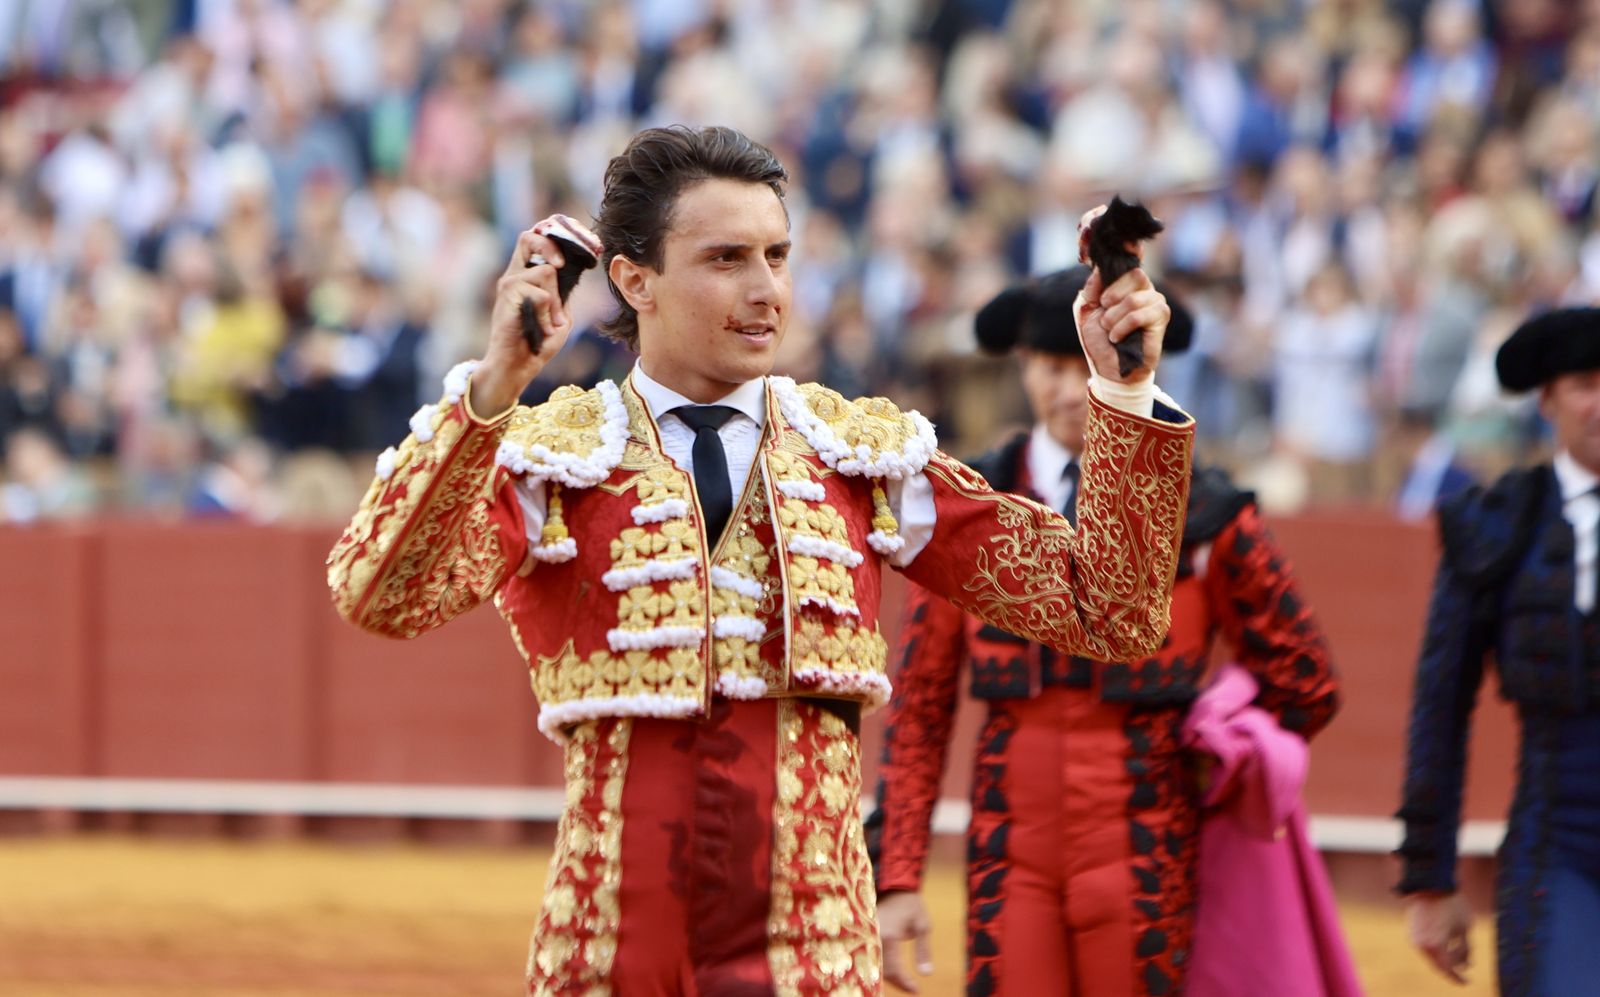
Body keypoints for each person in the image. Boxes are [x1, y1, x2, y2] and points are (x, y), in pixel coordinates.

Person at [326, 125, 1196, 994]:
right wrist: (493, 387)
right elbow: (381, 594)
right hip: (609, 962)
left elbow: (1108, 610)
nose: (767, 290)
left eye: (778, 256)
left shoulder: (862, 456)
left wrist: (1122, 392)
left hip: (813, 964)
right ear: (635, 281)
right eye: (727, 259)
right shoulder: (552, 459)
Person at [870, 265, 1340, 996]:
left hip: (1150, 838)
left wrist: (1225, 734)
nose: (1069, 393)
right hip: (1009, 847)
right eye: (1052, 367)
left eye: (1088, 368)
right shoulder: (971, 506)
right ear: (1023, 366)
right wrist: (896, 873)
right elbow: (921, 705)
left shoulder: (1206, 513)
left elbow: (1305, 678)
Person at [1397, 307, 1600, 995]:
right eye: (1585, 382)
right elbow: (1441, 701)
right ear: (1546, 398)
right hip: (1558, 841)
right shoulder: (1501, 523)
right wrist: (1430, 877)